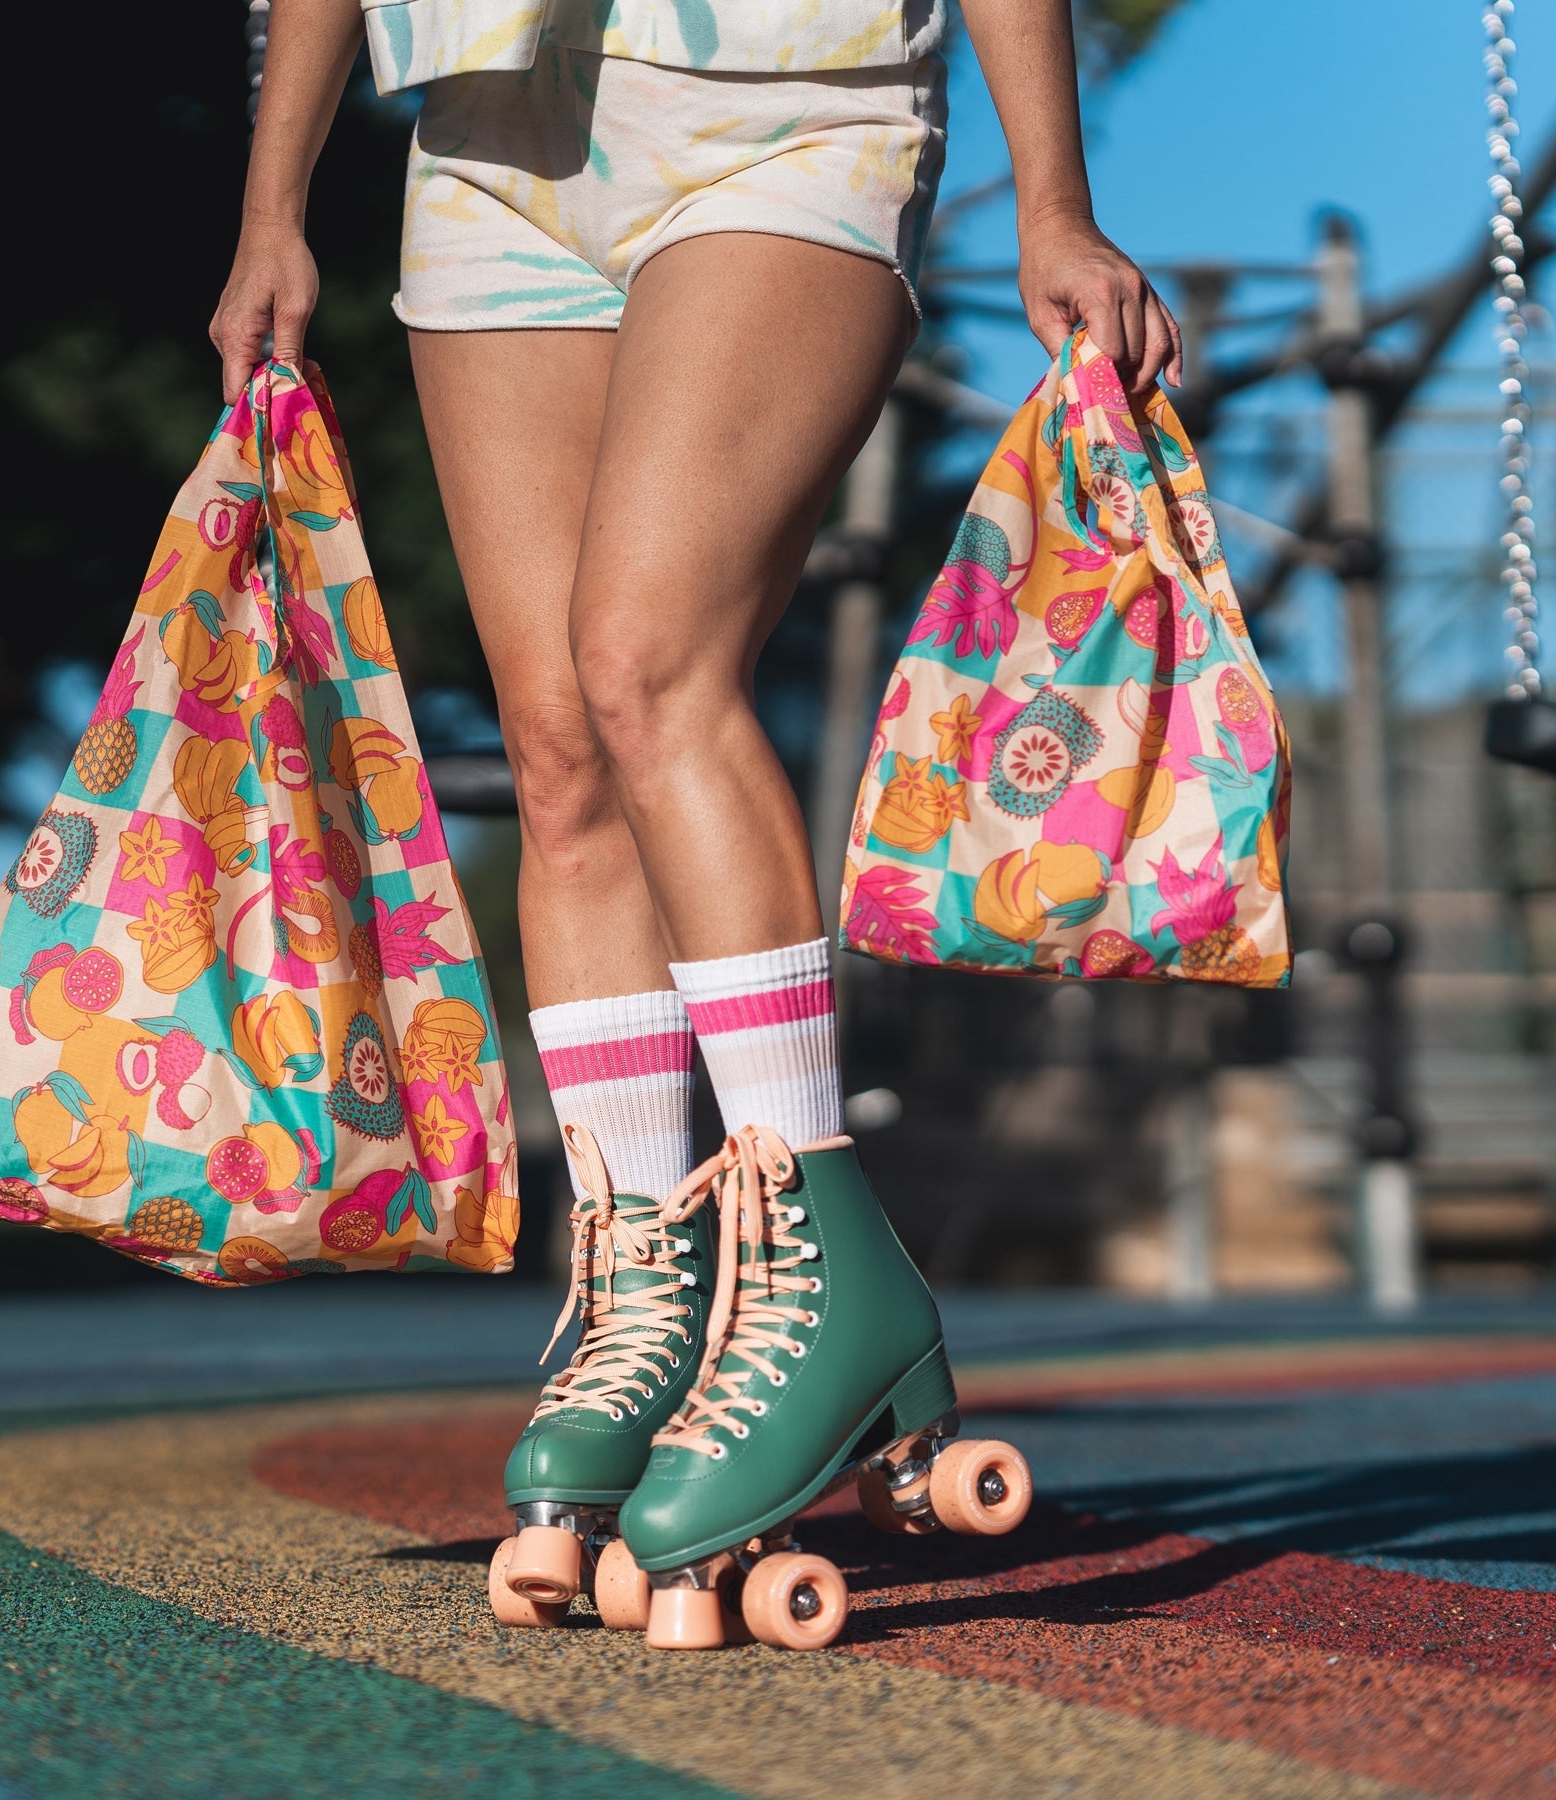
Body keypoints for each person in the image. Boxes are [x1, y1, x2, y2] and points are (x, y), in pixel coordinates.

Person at [212, 0, 1182, 1646]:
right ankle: (649, 1289)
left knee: (647, 661)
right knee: (558, 745)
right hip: (491, 144)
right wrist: (270, 208)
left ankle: (820, 1256)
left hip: (788, 113)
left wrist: (1050, 197)